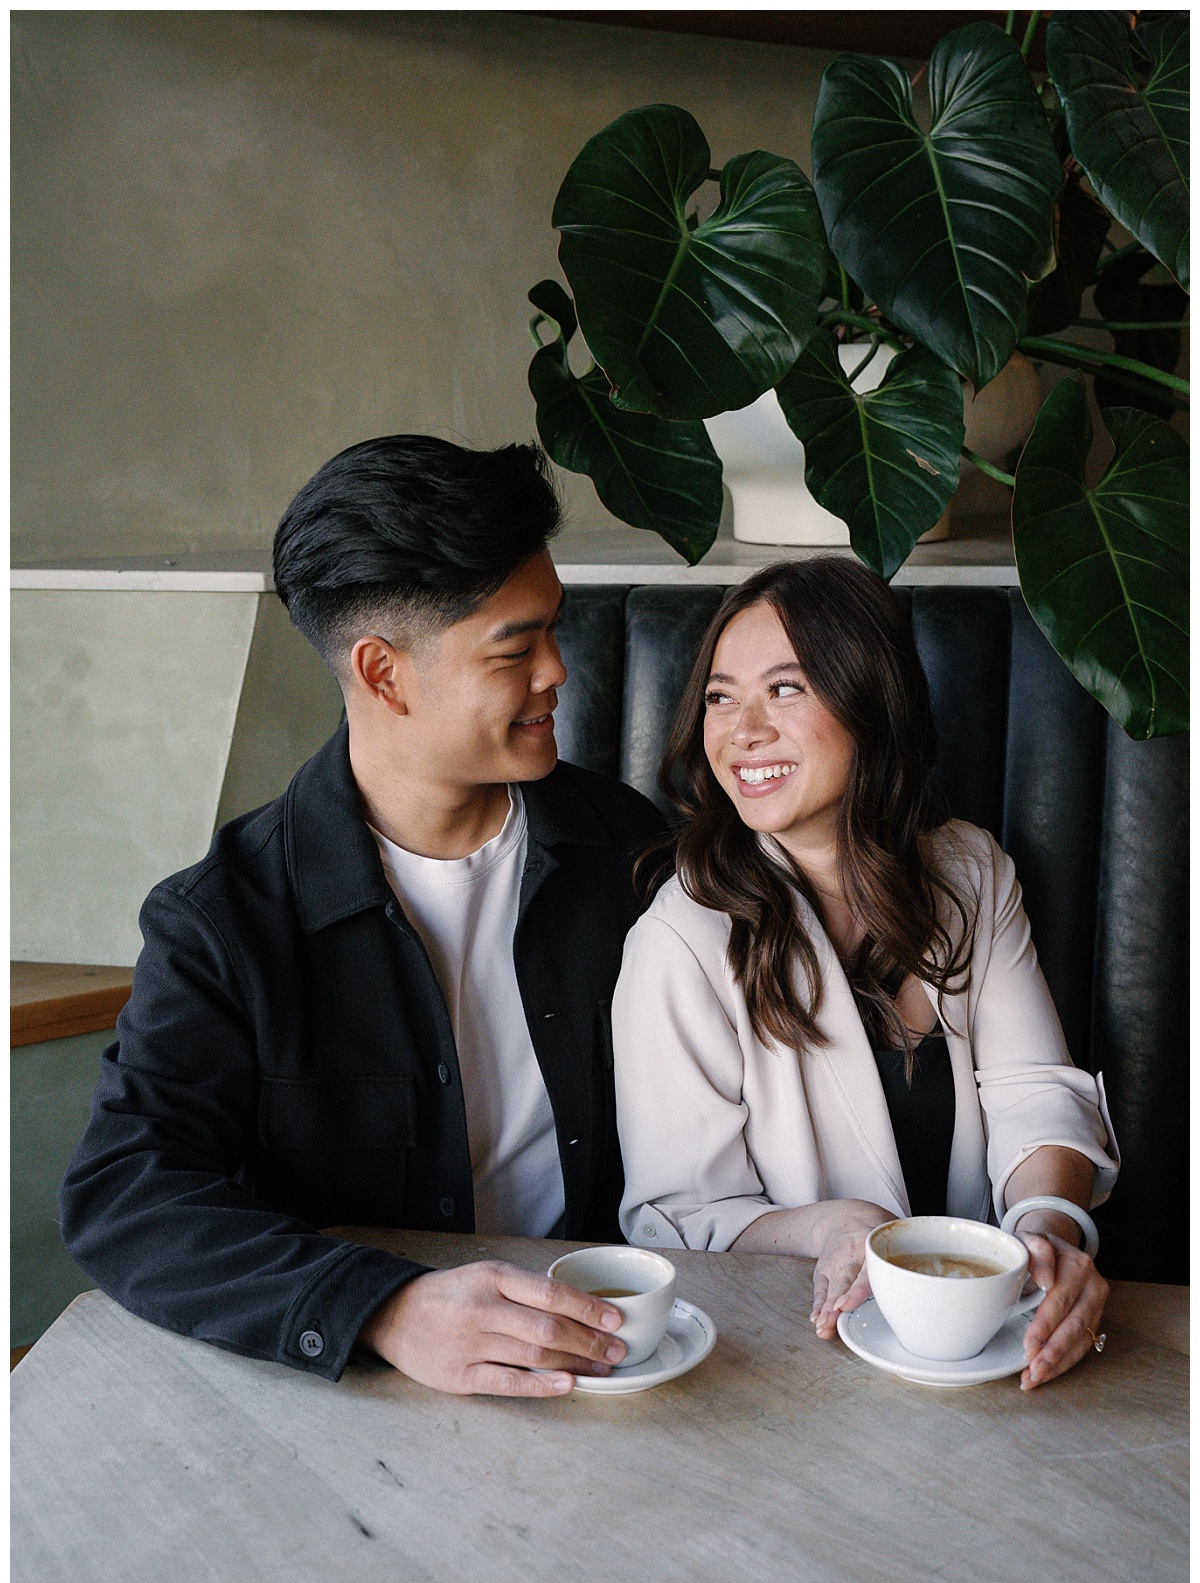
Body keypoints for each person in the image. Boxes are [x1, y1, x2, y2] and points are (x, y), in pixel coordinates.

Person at [61, 435, 667, 1397]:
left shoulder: (629, 850)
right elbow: (128, 1195)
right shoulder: (223, 921)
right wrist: (381, 1307)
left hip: (619, 1355)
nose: (560, 670)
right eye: (516, 647)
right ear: (383, 673)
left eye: (556, 627)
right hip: (369, 1391)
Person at [612, 557, 1118, 1391]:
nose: (742, 729)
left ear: (869, 701)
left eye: (785, 688)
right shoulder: (680, 936)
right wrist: (835, 1227)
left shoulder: (970, 870)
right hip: (789, 1363)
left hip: (989, 1346)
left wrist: (1047, 1234)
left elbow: (1035, 1091)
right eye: (719, 695)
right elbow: (676, 1215)